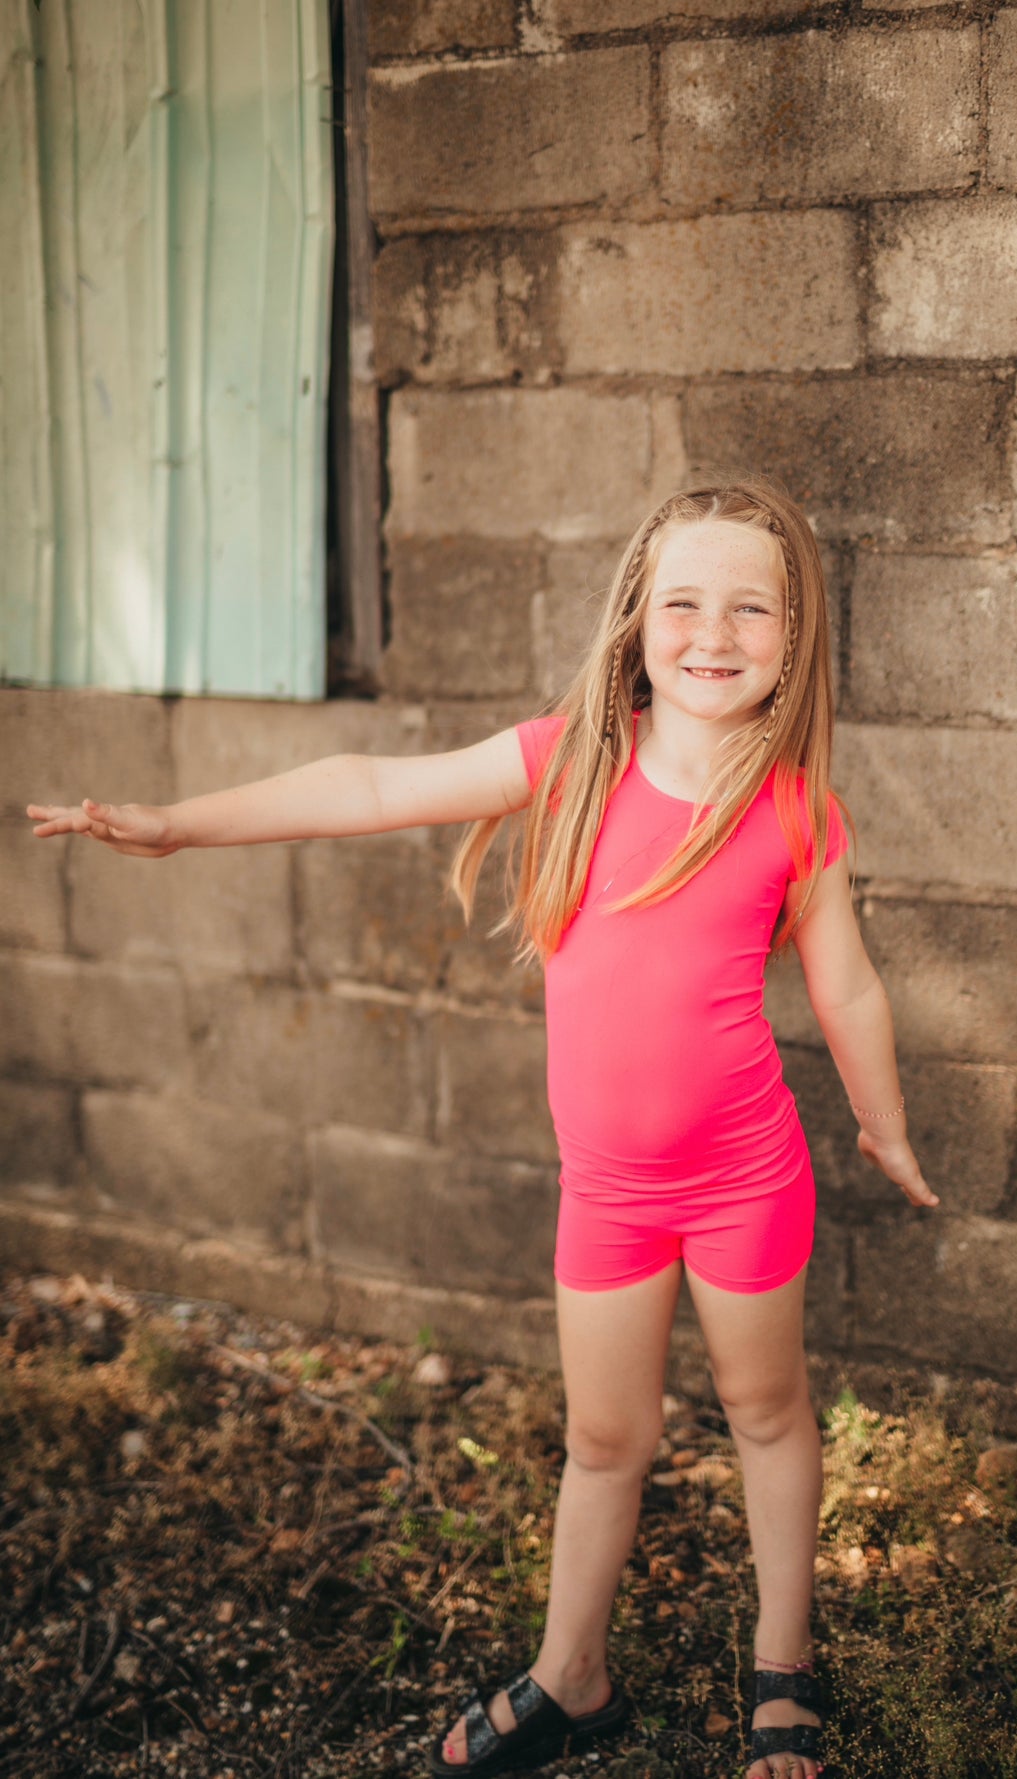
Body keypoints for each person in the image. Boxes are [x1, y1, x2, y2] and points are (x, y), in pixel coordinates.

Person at [28, 478, 937, 1779]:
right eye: (682, 601)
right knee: (605, 1440)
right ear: (634, 621)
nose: (713, 632)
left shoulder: (794, 809)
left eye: (752, 607)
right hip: (608, 1192)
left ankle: (781, 1667)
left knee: (766, 1412)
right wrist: (180, 826)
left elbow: (844, 982)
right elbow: (366, 783)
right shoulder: (572, 757)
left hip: (748, 1176)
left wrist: (884, 1128)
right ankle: (573, 1676)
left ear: (796, 640)